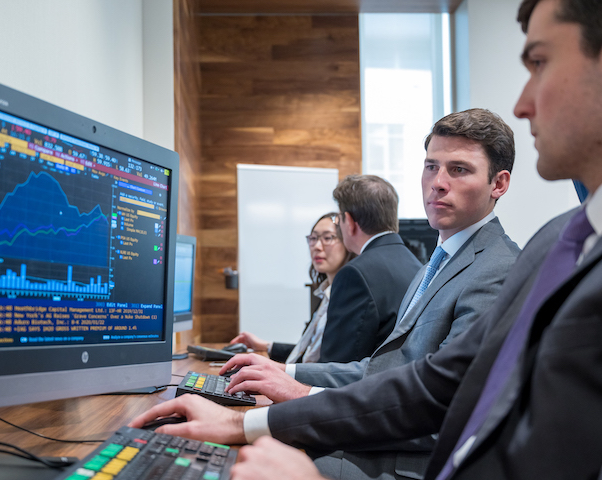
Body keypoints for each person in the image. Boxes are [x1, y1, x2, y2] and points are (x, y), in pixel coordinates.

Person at [131, 0, 602, 478]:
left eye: (540, 63)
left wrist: (270, 416)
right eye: (431, 167)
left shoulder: (504, 264)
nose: (437, 183)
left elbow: (455, 415)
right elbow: (421, 383)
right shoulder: (549, 240)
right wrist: (260, 407)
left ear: (498, 184)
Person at [259, 174, 422, 364]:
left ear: (350, 223)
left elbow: (335, 365)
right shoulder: (417, 266)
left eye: (329, 236)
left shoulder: (355, 274)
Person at [232, 212, 356, 364]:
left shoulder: (346, 299)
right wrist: (265, 346)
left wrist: (275, 370)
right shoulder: (326, 294)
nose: (317, 246)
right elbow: (308, 353)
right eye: (313, 238)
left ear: (348, 243)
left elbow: (326, 366)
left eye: (327, 238)